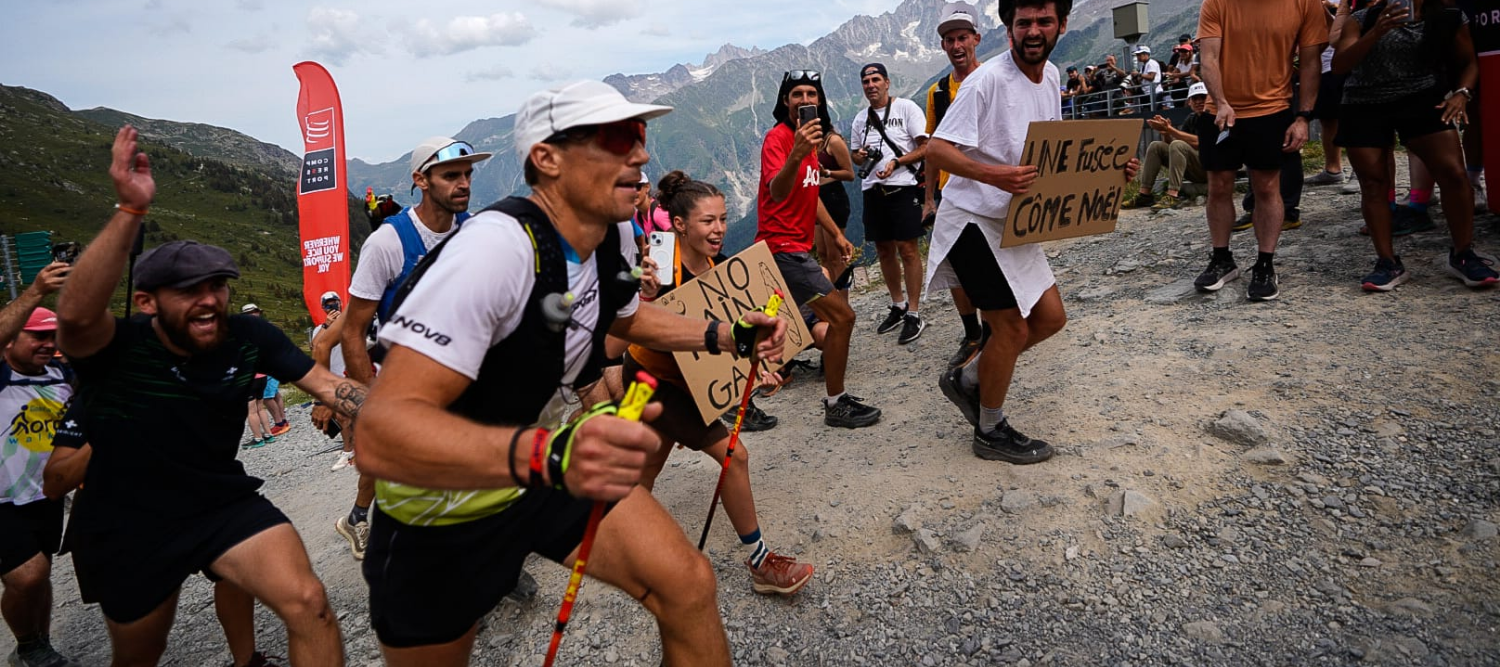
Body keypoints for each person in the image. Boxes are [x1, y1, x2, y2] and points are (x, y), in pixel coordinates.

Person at [352, 80, 786, 666]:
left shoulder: (613, 234)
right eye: (618, 138)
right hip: (441, 512)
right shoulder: (493, 251)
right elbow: (381, 433)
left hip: (544, 469)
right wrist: (548, 456)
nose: (641, 153)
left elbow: (630, 319)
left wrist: (727, 335)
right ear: (547, 159)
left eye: (639, 135)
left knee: (687, 585)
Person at [54, 126, 363, 666]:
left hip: (218, 501)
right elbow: (77, 317)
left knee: (309, 603)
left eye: (217, 285)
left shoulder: (246, 337)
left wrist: (409, 414)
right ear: (146, 302)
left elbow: (329, 386)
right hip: (131, 521)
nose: (209, 300)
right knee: (140, 655)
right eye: (188, 290)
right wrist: (130, 211)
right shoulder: (117, 348)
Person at [926, 0, 1140, 462]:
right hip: (970, 219)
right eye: (1023, 22)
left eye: (1044, 21)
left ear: (1062, 24)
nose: (1034, 30)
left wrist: (1109, 172)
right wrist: (995, 175)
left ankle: (968, 378)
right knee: (1010, 328)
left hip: (1011, 220)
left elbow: (1052, 154)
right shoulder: (986, 81)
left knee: (1050, 319)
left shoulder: (1053, 76)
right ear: (1009, 29)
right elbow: (936, 151)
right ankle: (990, 429)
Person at [626, 170, 814, 596]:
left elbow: (728, 337)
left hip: (675, 379)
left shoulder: (718, 267)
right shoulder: (660, 265)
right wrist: (644, 293)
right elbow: (640, 321)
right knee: (735, 456)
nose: (719, 229)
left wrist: (759, 368)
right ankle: (760, 561)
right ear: (679, 225)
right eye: (708, 221)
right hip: (651, 379)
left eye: (724, 219)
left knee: (649, 463)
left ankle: (623, 533)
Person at [337, 135, 493, 562]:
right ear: (421, 180)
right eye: (451, 175)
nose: (464, 183)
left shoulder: (474, 232)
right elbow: (352, 331)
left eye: (467, 174)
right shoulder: (387, 244)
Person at [42, 413, 281, 667]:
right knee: (142, 643)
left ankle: (246, 661)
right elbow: (56, 483)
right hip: (122, 512)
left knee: (235, 567)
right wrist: (111, 427)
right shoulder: (92, 402)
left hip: (189, 490)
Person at [1332, 0, 1496, 289]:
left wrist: (1462, 93)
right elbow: (1339, 65)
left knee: (1454, 175)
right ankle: (1387, 262)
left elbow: (1469, 62)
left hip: (1421, 97)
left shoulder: (1448, 16)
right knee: (1373, 183)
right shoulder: (1362, 19)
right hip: (1364, 102)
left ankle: (1463, 254)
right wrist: (1377, 31)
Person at [757, 69, 881, 429]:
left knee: (774, 321)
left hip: (795, 248)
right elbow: (777, 191)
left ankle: (771, 383)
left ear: (820, 101)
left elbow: (810, 195)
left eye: (812, 94)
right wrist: (796, 153)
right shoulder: (779, 139)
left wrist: (836, 235)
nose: (805, 100)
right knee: (843, 317)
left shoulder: (812, 140)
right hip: (782, 249)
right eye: (797, 94)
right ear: (785, 101)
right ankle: (836, 403)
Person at [1193, 0, 1327, 301]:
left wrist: (1303, 117)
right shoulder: (1216, 2)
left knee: (1267, 187)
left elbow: (1310, 63)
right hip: (1219, 110)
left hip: (1272, 109)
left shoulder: (1305, 4)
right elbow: (1209, 58)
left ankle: (1265, 264)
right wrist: (1221, 101)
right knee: (1218, 186)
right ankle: (1222, 258)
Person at [0, 261, 79, 667]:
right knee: (27, 576)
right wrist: (36, 292)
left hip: (46, 494)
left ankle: (39, 647)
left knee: (41, 575)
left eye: (52, 336)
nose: (48, 344)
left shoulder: (61, 374)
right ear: (10, 340)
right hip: (2, 500)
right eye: (38, 336)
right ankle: (28, 645)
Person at [926, 1, 991, 370]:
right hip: (951, 192)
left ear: (976, 39)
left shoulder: (992, 80)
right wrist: (928, 198)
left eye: (962, 38)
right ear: (943, 46)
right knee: (956, 267)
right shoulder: (937, 92)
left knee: (991, 264)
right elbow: (932, 149)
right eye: (950, 40)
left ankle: (994, 329)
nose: (956, 46)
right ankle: (972, 333)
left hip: (988, 190)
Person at [851, 62, 929, 345]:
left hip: (903, 188)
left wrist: (897, 161)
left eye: (875, 80)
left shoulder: (906, 108)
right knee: (884, 251)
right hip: (873, 191)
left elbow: (925, 147)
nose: (871, 85)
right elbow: (855, 157)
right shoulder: (860, 119)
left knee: (908, 250)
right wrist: (860, 156)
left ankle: (915, 312)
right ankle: (898, 305)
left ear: (887, 82)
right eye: (866, 81)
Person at [1132, 82, 1213, 210]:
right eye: (1195, 99)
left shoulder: (1214, 117)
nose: (1199, 102)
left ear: (1210, 99)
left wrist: (1170, 129)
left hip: (1213, 169)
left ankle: (1172, 195)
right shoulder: (1191, 119)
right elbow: (1176, 149)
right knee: (1156, 146)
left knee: (1178, 144)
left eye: (1202, 98)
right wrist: (1166, 134)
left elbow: (1201, 143)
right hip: (1196, 166)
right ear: (1189, 102)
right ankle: (1144, 195)